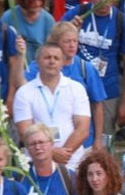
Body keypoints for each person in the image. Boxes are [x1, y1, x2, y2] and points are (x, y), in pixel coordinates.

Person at [62, 0, 125, 133]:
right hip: (74, 88)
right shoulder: (78, 14)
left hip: (107, 92)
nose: (104, 1)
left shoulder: (121, 21)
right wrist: (69, 30)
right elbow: (53, 42)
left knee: (102, 139)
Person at [22, 21, 107, 152]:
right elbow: (22, 88)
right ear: (56, 43)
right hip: (44, 144)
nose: (72, 45)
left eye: (75, 41)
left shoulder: (85, 68)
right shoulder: (40, 66)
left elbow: (97, 105)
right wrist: (19, 58)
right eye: (67, 41)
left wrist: (98, 139)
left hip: (83, 142)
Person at [13, 43, 91, 171]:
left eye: (56, 58)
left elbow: (82, 129)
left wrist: (63, 154)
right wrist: (51, 154)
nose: (52, 61)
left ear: (63, 62)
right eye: (47, 57)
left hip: (72, 161)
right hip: (37, 162)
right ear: (37, 61)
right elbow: (24, 131)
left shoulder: (77, 89)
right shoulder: (24, 92)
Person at [1, 0, 55, 66]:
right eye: (32, 0)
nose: (37, 4)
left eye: (39, 0)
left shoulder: (48, 20)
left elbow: (52, 49)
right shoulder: (8, 17)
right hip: (13, 66)